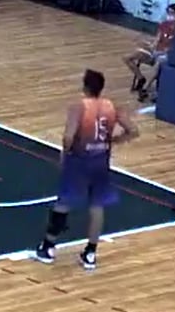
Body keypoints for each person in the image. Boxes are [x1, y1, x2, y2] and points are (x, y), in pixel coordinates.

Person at [35, 69, 138, 271]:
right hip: (101, 161)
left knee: (64, 202)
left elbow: (68, 136)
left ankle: (48, 247)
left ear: (85, 86)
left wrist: (65, 153)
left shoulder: (78, 107)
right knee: (97, 205)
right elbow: (133, 131)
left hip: (79, 160)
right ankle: (90, 253)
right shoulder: (112, 106)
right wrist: (113, 141)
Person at [124, 3, 175, 101]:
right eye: (168, 12)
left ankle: (145, 89)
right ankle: (140, 78)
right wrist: (149, 45)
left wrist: (165, 51)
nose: (169, 15)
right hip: (156, 51)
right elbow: (157, 39)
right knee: (128, 57)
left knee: (159, 63)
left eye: (172, 13)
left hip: (166, 55)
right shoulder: (163, 25)